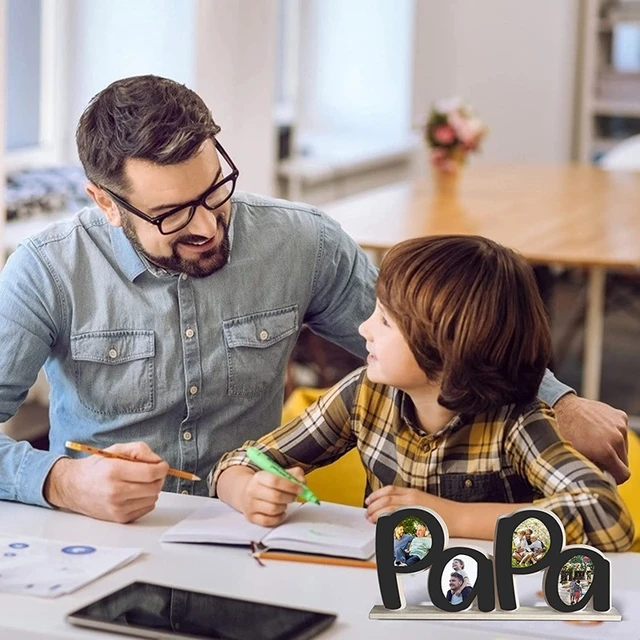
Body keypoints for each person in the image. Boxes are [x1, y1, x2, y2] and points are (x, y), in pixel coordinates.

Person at [0, 75, 629, 523]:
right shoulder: (46, 272)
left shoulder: (301, 241)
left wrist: (557, 401)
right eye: (171, 215)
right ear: (105, 203)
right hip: (98, 538)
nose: (208, 226)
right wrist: (61, 481)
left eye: (215, 190)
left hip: (242, 535)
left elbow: (428, 337)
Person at [211, 236, 635, 552]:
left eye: (386, 323)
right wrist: (248, 491)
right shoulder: (364, 395)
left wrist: (451, 517)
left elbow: (607, 518)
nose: (363, 329)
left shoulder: (517, 422)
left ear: (446, 352)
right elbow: (238, 461)